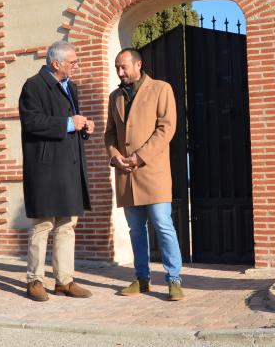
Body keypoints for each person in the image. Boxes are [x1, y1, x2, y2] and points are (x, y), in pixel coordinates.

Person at [104, 48, 185, 301]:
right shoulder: (114, 96)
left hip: (153, 172)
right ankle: (141, 279)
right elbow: (110, 133)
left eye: (123, 67)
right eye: (117, 67)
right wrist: (115, 155)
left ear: (138, 65)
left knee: (163, 225)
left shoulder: (161, 89)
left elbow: (166, 128)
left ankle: (174, 280)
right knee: (136, 230)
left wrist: (141, 156)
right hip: (126, 175)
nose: (119, 72)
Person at [19, 40, 94, 301]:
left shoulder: (71, 87)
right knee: (43, 224)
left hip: (69, 167)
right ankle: (35, 281)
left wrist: (82, 127)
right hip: (46, 169)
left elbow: (70, 124)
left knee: (67, 224)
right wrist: (68, 123)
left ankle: (64, 281)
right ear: (56, 63)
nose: (76, 65)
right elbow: (31, 121)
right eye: (72, 62)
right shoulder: (34, 86)